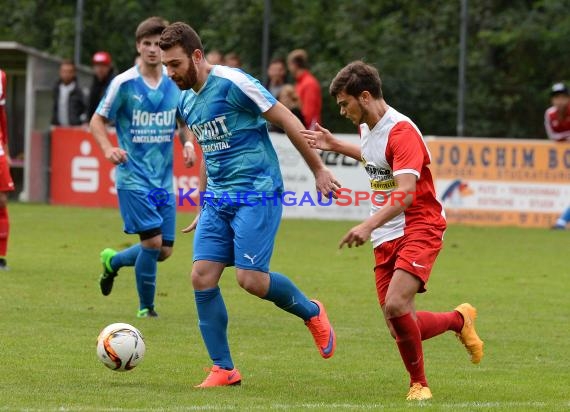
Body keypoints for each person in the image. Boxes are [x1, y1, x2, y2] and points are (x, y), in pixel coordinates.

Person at [159, 22, 341, 388]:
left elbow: (288, 119)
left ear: (197, 56)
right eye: (166, 65)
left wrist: (319, 169)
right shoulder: (186, 101)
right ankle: (224, 369)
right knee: (201, 276)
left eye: (175, 64)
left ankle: (312, 312)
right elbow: (211, 152)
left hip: (257, 192)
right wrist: (201, 202)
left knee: (251, 280)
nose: (170, 73)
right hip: (218, 200)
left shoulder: (233, 82)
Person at [301, 61, 484, 401]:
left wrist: (367, 224)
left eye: (345, 103)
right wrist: (336, 145)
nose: (342, 111)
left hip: (419, 223)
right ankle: (458, 320)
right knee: (396, 322)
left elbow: (406, 193)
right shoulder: (367, 127)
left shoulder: (402, 132)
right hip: (387, 232)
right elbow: (376, 159)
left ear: (365, 96)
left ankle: (420, 385)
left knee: (397, 306)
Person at [90, 17, 195, 318]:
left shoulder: (175, 82)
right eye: (146, 43)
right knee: (151, 242)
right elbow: (97, 120)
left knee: (164, 250)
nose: (152, 49)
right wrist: (108, 148)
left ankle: (113, 262)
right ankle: (146, 309)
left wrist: (187, 143)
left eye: (157, 44)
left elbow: (183, 120)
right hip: (133, 177)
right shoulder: (123, 83)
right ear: (138, 46)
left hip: (163, 181)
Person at [545, 82, 570, 229]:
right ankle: (561, 222)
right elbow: (554, 136)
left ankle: (561, 222)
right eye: (556, 97)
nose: (559, 101)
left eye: (563, 97)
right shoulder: (550, 114)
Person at [0, 69, 15, 270]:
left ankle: (1, 256)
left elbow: (1, 114)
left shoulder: (1, 76)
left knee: (2, 199)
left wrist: (6, 146)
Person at [287, 49, 321, 129]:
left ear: (294, 64)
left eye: (289, 64)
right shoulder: (300, 83)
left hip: (308, 131)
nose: (288, 68)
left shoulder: (309, 83)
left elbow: (309, 114)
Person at [51, 59, 87, 126]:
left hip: (74, 128)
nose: (66, 74)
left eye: (69, 72)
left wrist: (81, 120)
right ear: (60, 72)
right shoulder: (56, 89)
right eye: (64, 71)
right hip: (59, 128)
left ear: (74, 73)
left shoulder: (79, 91)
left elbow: (85, 108)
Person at [87, 51, 115, 119]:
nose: (100, 69)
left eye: (103, 66)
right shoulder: (94, 84)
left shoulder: (114, 84)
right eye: (97, 66)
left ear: (109, 67)